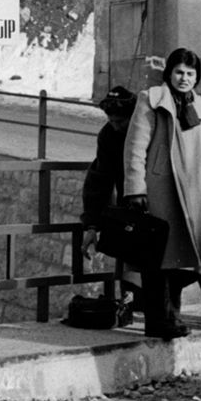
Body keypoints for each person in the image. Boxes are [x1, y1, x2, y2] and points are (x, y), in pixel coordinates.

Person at [122, 47, 201, 338]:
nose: (184, 78)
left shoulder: (200, 105)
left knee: (192, 254)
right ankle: (162, 320)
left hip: (194, 192)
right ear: (169, 73)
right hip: (163, 190)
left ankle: (175, 316)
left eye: (190, 73)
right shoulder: (151, 99)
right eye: (179, 72)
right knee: (161, 256)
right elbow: (135, 147)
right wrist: (136, 188)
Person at [82, 85, 140, 320]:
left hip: (155, 203)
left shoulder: (145, 132)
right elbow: (100, 180)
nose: (115, 126)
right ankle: (130, 304)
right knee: (130, 258)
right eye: (112, 121)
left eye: (120, 122)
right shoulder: (108, 135)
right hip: (129, 208)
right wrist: (92, 224)